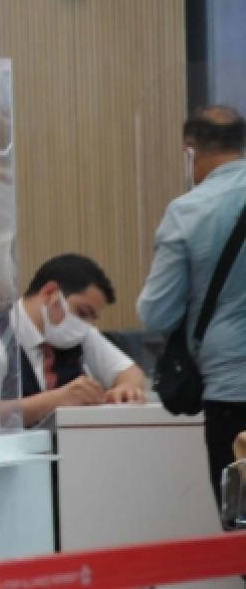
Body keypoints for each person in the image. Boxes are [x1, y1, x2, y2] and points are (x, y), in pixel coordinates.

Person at [138, 105, 246, 512]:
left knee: (240, 525)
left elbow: (156, 313)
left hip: (231, 392)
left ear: (190, 151)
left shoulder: (188, 212)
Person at [0, 254, 147, 428]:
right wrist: (56, 399)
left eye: (92, 318)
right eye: (83, 313)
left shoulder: (79, 334)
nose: (86, 325)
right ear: (49, 293)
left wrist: (127, 389)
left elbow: (129, 372)